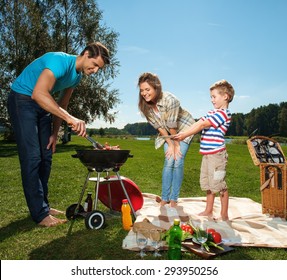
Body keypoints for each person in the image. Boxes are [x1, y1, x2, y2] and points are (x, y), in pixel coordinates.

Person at [7, 42, 110, 227]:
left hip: (41, 106)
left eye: (98, 69)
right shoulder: (59, 61)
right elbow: (38, 93)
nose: (95, 71)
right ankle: (40, 215)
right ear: (86, 53)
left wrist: (55, 133)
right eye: (94, 65)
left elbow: (62, 106)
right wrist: (71, 119)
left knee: (46, 157)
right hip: (22, 99)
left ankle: (43, 207)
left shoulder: (76, 77)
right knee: (32, 158)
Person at [173, 79, 235, 220]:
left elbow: (202, 126)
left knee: (219, 184)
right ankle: (208, 210)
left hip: (217, 155)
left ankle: (224, 215)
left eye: (214, 97)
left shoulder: (224, 113)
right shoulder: (212, 112)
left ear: (225, 96)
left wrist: (184, 135)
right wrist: (183, 132)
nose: (211, 100)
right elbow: (198, 123)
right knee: (208, 183)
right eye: (211, 97)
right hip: (207, 155)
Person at [137, 72, 195, 207]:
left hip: (185, 129)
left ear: (156, 88)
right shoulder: (144, 106)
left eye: (147, 89)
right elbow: (159, 127)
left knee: (178, 160)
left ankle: (174, 199)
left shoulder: (170, 100)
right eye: (142, 90)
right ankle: (165, 198)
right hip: (168, 133)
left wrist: (177, 146)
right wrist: (170, 144)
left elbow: (172, 124)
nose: (144, 93)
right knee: (169, 161)